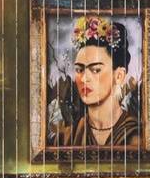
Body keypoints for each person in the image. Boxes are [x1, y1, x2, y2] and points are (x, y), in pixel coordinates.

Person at [50, 16, 142, 148]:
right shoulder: (65, 138)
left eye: (95, 70)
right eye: (79, 69)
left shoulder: (137, 136)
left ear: (119, 75)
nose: (83, 78)